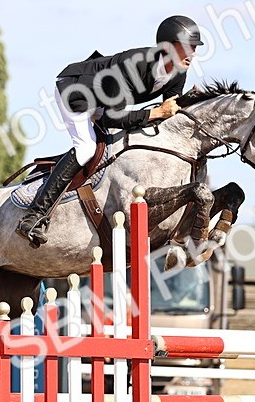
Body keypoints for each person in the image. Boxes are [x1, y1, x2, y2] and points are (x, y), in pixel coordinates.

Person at [15, 15, 204, 248]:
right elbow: (113, 116)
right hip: (77, 91)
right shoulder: (133, 64)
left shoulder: (178, 72)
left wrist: (190, 101)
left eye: (194, 47)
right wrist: (154, 113)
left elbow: (169, 111)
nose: (193, 52)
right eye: (188, 46)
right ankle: (33, 216)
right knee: (86, 148)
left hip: (106, 102)